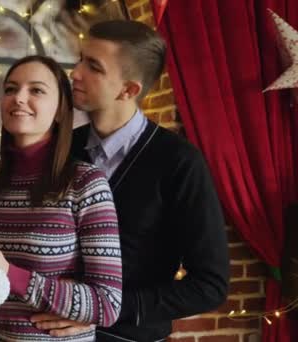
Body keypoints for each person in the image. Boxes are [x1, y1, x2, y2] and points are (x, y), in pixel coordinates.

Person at [31, 20, 230, 341]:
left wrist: (99, 309)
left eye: (93, 66)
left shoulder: (180, 162)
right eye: (80, 58)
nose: (76, 73)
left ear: (129, 90)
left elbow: (210, 285)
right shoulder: (61, 146)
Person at [0, 55, 123, 341]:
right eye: (11, 89)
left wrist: (11, 274)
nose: (19, 98)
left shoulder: (86, 184)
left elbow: (107, 303)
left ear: (62, 110)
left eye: (36, 90)